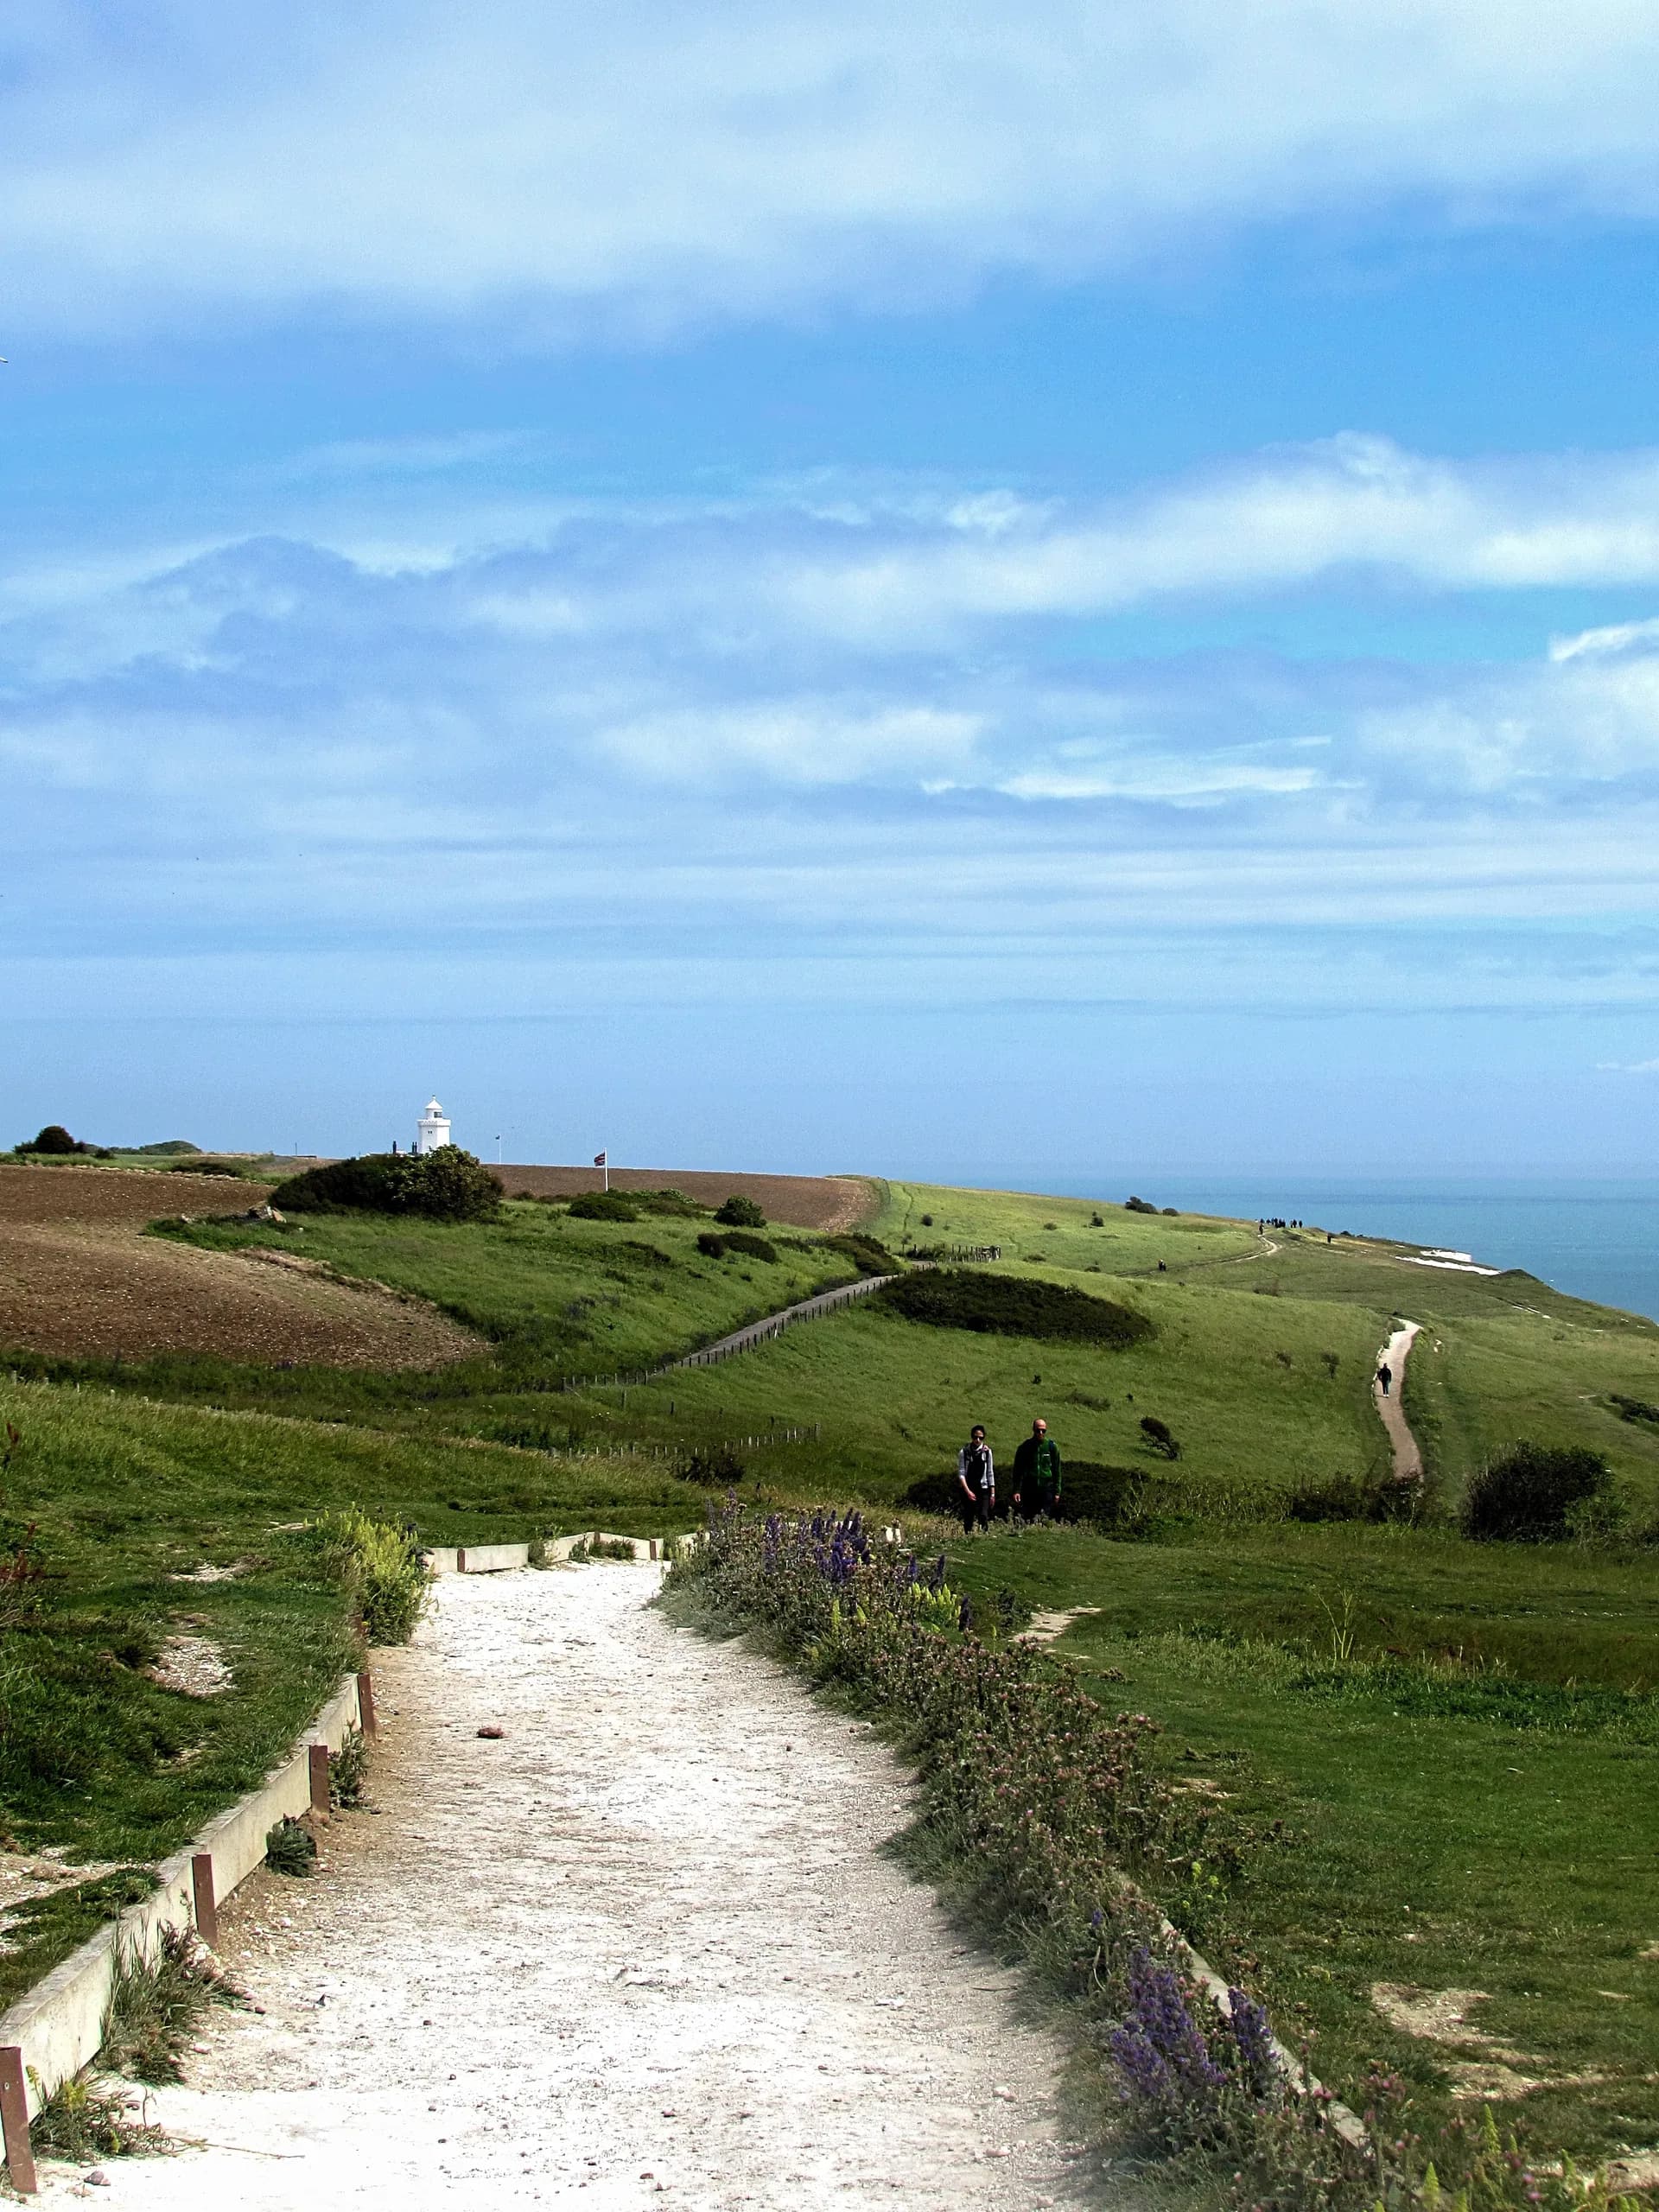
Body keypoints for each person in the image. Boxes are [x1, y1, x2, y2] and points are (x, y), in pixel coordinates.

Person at [1012, 1416, 1063, 1522]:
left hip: (1046, 1487)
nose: (1040, 1433)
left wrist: (1057, 1491)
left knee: (1044, 1517)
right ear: (1033, 1430)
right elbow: (1018, 1470)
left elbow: (1057, 1470)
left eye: (1043, 1430)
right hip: (1030, 1487)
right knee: (1028, 1517)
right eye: (1038, 1430)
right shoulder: (1025, 1447)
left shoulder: (1051, 1447)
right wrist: (1016, 1490)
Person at [956, 1425, 995, 1533]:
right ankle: (968, 1537)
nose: (977, 1440)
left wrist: (992, 1494)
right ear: (972, 1437)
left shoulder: (987, 1452)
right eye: (975, 1437)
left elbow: (990, 1473)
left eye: (980, 1438)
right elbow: (962, 1473)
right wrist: (967, 1491)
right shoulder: (964, 1452)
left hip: (984, 1488)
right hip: (969, 1488)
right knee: (969, 1516)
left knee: (983, 1515)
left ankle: (984, 1536)